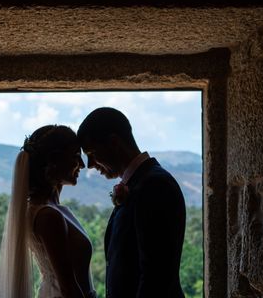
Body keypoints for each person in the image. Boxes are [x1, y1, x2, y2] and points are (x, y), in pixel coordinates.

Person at [77, 107, 186, 298]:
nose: (90, 165)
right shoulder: (141, 182)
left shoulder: (155, 184)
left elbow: (156, 275)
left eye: (92, 153)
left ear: (114, 143)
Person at [0, 125, 97, 298]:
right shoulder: (48, 216)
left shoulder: (49, 210)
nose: (81, 165)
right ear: (54, 161)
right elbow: (68, 287)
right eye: (75, 156)